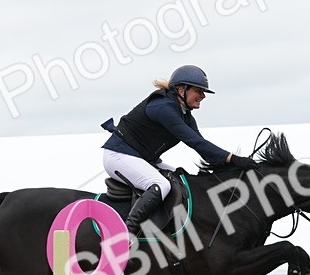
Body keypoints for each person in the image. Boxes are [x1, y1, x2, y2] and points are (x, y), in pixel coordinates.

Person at [100, 66, 258, 242]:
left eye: (203, 91)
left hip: (140, 157)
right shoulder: (163, 108)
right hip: (118, 155)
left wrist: (233, 166)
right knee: (161, 184)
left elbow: (202, 148)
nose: (203, 96)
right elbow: (194, 141)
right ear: (181, 90)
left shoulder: (186, 116)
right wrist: (232, 157)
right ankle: (126, 235)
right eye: (198, 91)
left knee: (182, 178)